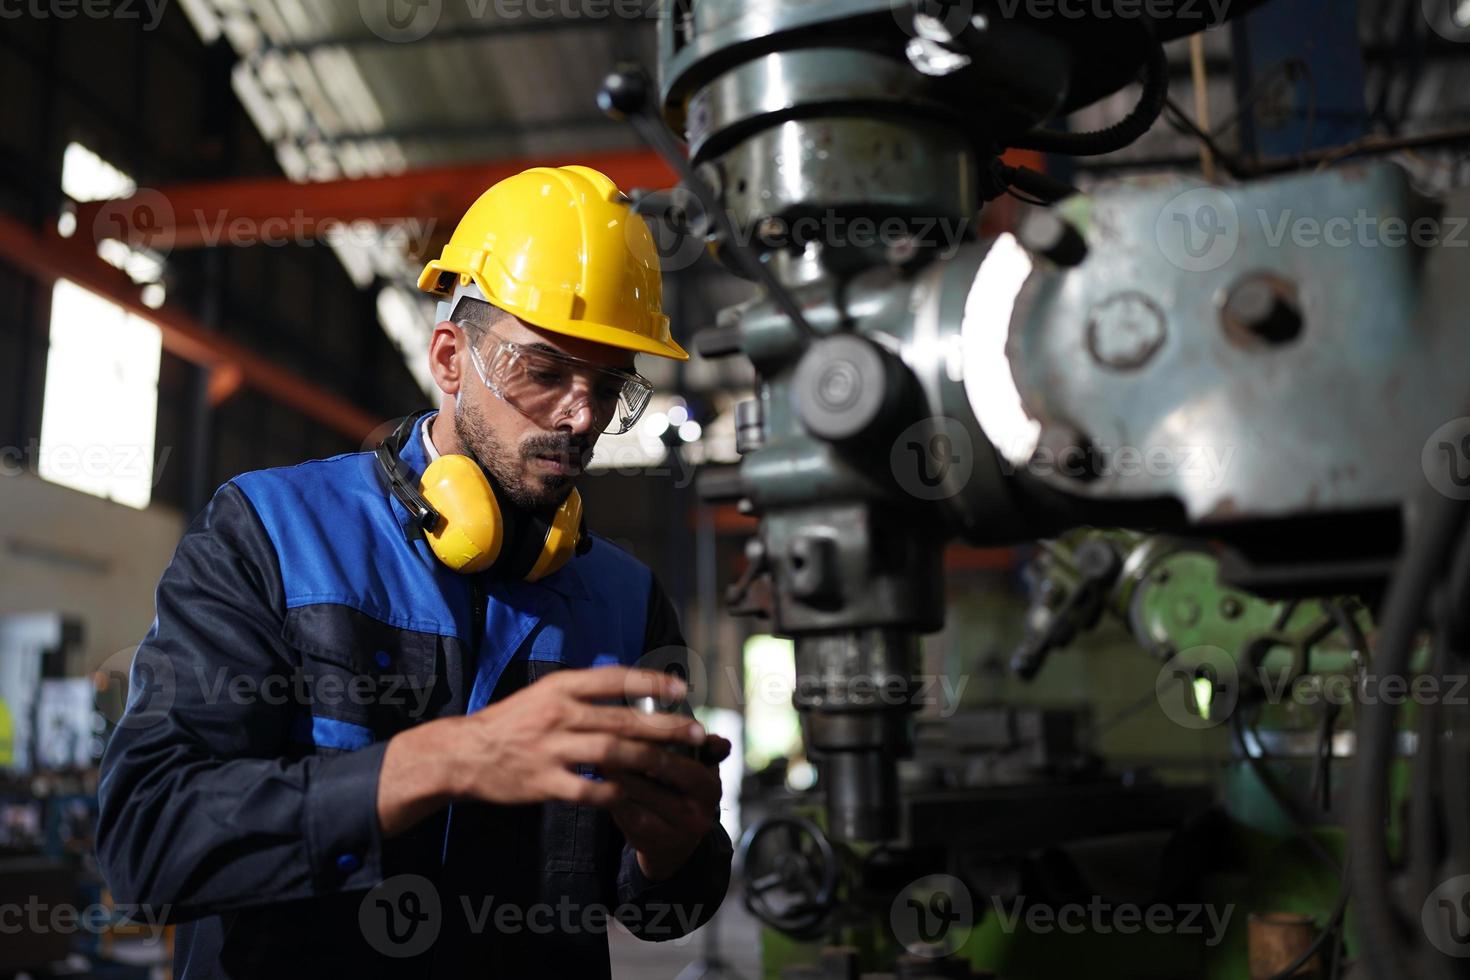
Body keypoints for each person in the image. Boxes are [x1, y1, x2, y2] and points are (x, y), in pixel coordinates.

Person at [96, 165, 733, 978]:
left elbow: (659, 910)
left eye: (607, 387)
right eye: (544, 372)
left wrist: (671, 855)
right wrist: (447, 760)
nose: (581, 418)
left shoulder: (623, 601)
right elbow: (144, 843)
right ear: (450, 357)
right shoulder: (271, 533)